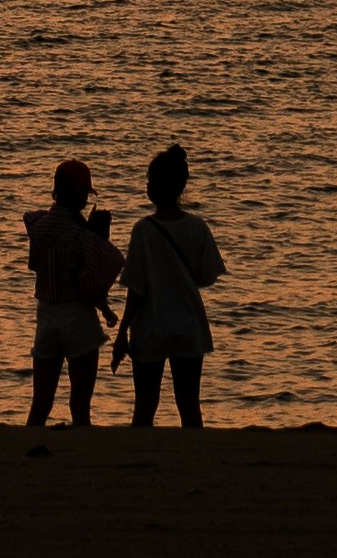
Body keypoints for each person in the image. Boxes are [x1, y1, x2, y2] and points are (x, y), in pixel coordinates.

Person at [121, 141, 224, 428]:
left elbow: (136, 290)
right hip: (188, 326)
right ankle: (195, 456)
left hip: (150, 328)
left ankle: (140, 454)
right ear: (182, 186)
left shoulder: (143, 229)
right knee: (189, 403)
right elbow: (207, 277)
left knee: (145, 404)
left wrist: (121, 333)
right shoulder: (197, 227)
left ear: (152, 188)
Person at [23, 152, 120, 428]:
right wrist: (100, 239)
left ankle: (27, 447)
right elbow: (90, 282)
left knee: (40, 403)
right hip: (77, 318)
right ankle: (82, 451)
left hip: (46, 317)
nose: (87, 198)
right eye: (85, 192)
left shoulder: (39, 226)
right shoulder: (82, 235)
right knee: (79, 404)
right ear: (78, 192)